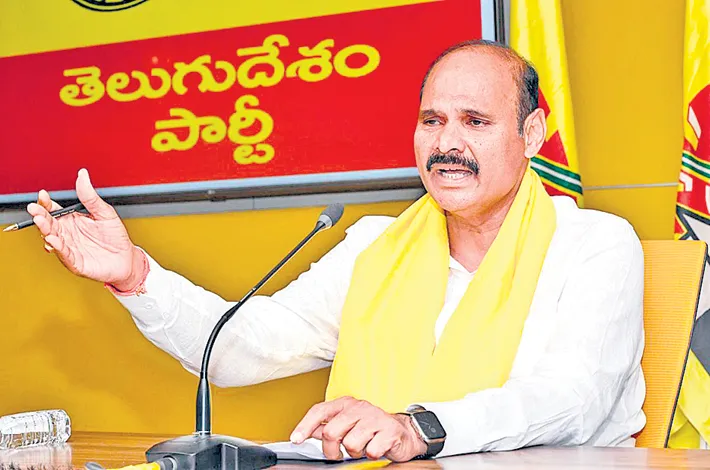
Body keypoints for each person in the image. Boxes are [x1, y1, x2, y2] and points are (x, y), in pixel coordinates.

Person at [26, 40, 645, 462]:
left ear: (531, 133)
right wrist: (135, 275)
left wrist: (417, 428)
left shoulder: (594, 245)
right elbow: (243, 348)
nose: (446, 144)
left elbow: (573, 400)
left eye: (475, 122)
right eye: (432, 121)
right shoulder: (375, 247)